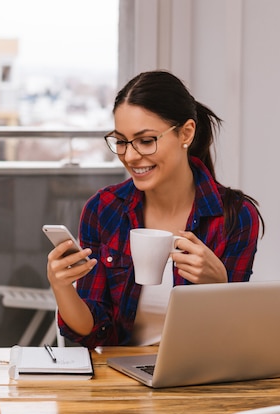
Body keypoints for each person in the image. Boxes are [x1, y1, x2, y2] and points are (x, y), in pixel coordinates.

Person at [47, 70, 263, 347]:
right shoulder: (104, 210)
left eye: (146, 141)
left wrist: (219, 285)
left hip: (200, 380)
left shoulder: (236, 216)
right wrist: (62, 287)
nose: (131, 156)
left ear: (186, 133)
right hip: (121, 378)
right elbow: (95, 331)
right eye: (122, 142)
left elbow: (232, 340)